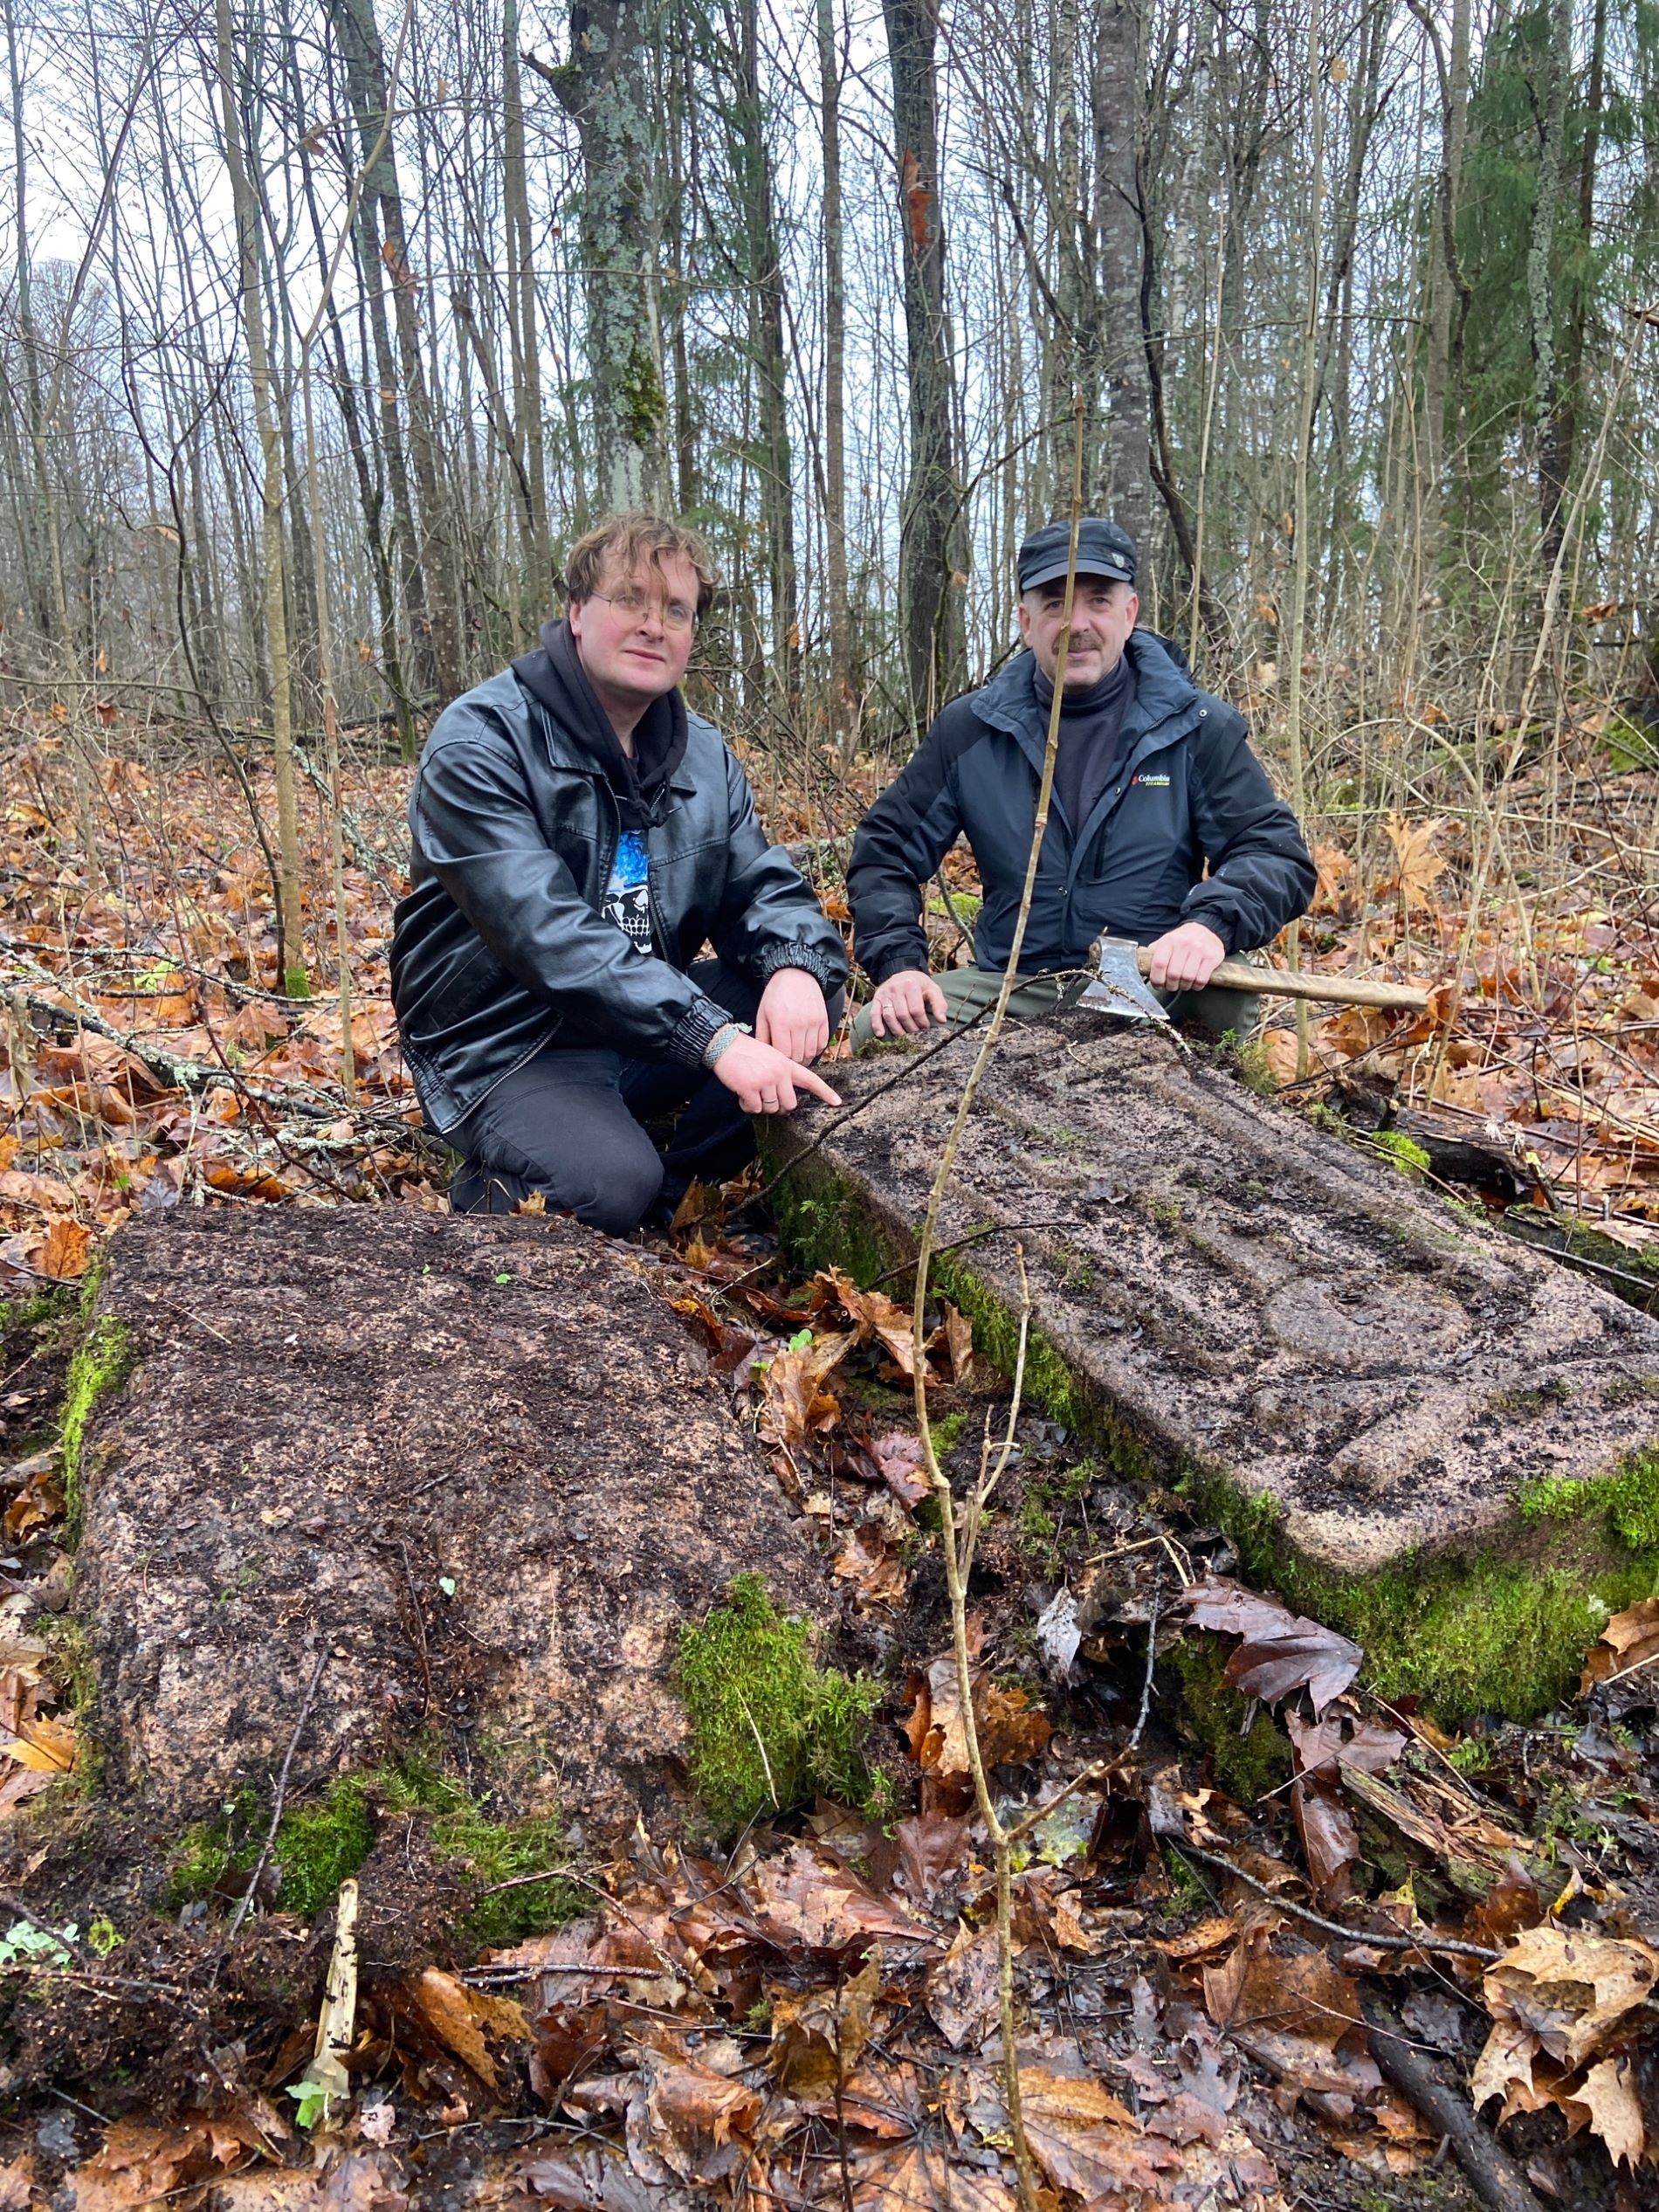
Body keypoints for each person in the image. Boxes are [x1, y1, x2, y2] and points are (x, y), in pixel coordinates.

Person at [391, 511, 847, 1235]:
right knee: (607, 1182)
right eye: (630, 599)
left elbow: (761, 885)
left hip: (634, 1025)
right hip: (507, 1039)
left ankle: (674, 1194)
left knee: (802, 996)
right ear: (576, 612)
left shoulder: (704, 758)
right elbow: (546, 933)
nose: (653, 625)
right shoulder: (482, 741)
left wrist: (796, 965)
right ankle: (525, 1184)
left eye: (676, 610)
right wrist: (714, 1038)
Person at [847, 517, 1315, 1044]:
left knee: (1224, 988)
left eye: (1098, 601)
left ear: (1129, 613)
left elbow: (1274, 855)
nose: (1077, 624)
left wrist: (1208, 927)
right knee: (881, 1028)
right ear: (1027, 623)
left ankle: (1187, 1090)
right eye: (1055, 604)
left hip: (1148, 986)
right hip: (1014, 988)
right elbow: (885, 850)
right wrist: (900, 966)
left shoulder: (1196, 728)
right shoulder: (971, 730)